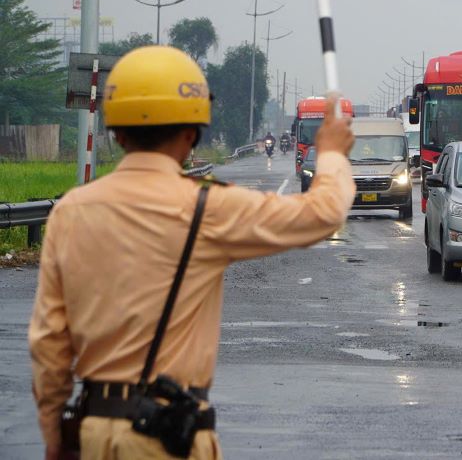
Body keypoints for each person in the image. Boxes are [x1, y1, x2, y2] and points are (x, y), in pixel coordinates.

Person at [28, 46, 355, 460]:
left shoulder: (70, 211)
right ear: (193, 132)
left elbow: (49, 343)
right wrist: (330, 154)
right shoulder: (207, 209)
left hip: (93, 430)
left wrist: (55, 434)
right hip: (166, 435)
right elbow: (323, 214)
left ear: (117, 131)